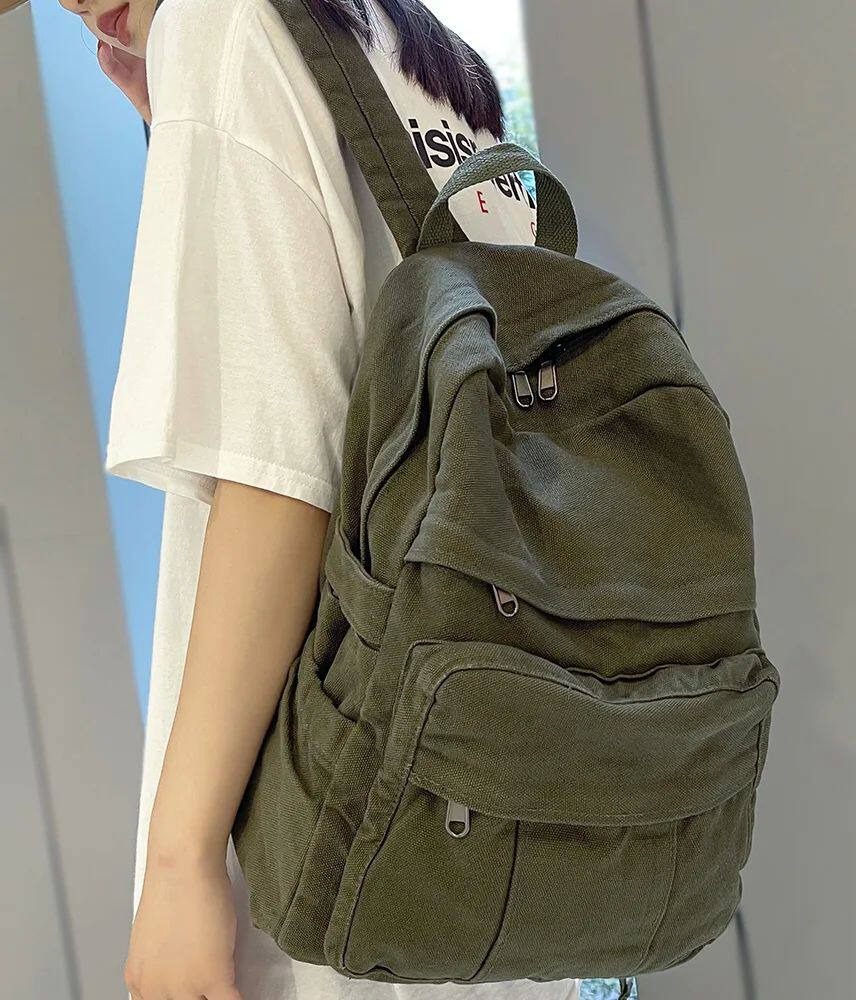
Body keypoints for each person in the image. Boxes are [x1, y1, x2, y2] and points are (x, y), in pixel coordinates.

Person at [37, 1, 578, 999]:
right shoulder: (408, 43)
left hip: (339, 830)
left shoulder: (222, 24)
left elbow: (278, 483)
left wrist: (178, 861)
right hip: (488, 813)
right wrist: (184, 128)